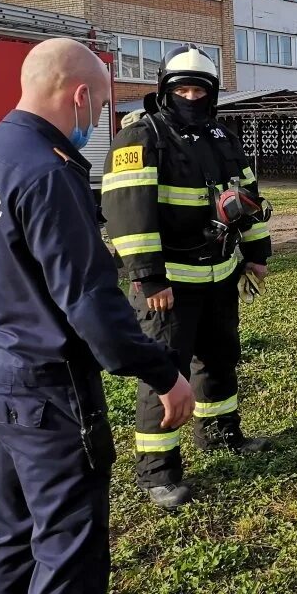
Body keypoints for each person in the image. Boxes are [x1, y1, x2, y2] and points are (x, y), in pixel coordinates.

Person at [0, 38, 194, 591]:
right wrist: (163, 374)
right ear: (80, 95)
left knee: (13, 532)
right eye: (101, 105)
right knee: (68, 547)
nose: (98, 117)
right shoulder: (50, 173)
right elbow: (90, 303)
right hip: (49, 392)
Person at [103, 44, 272, 510]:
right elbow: (126, 213)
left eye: (201, 89)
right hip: (169, 285)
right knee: (165, 372)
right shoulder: (140, 138)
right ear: (165, 91)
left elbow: (248, 197)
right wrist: (149, 278)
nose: (192, 97)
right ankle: (158, 471)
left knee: (219, 356)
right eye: (184, 89)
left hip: (220, 273)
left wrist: (257, 252)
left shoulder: (223, 136)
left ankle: (219, 433)